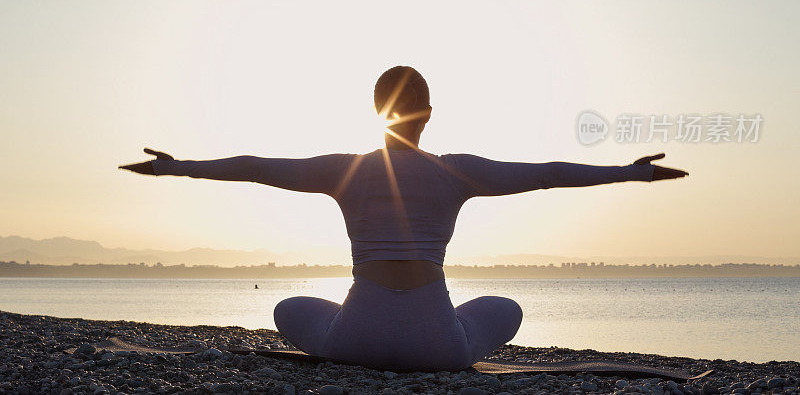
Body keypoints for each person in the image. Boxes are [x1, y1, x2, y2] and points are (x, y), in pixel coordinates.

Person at [119, 65, 688, 371]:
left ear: (374, 112)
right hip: (438, 348)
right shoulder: (458, 171)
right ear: (430, 115)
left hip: (354, 340)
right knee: (507, 308)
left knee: (286, 307)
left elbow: (252, 166)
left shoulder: (341, 169)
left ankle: (365, 328)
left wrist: (177, 168)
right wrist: (632, 173)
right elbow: (549, 171)